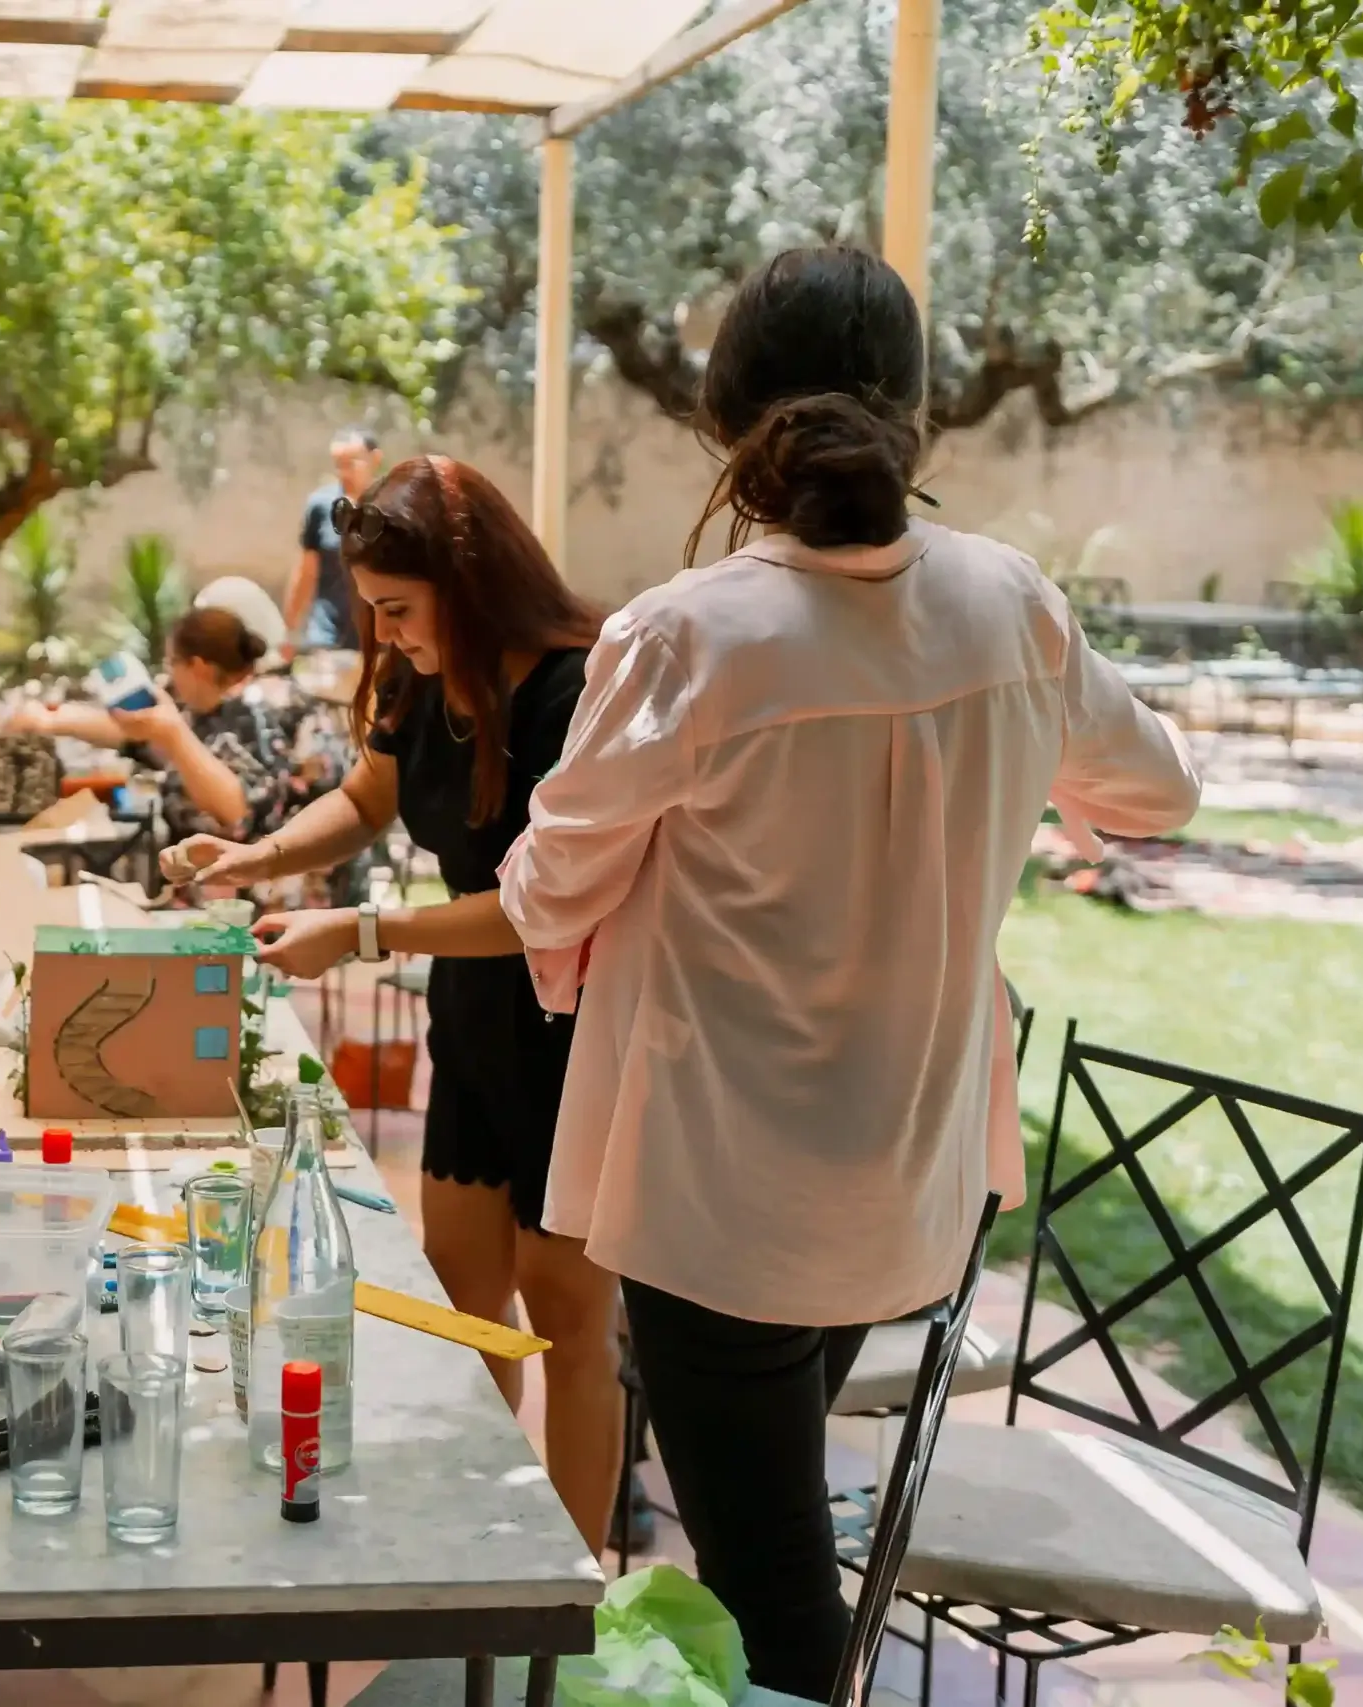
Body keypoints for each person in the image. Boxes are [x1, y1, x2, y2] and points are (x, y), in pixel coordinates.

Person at [497, 246, 1201, 1698]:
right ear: (917, 415)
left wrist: (577, 931)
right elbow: (1159, 793)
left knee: (770, 1604)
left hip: (720, 1199)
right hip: (908, 1191)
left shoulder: (685, 634)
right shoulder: (1013, 604)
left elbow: (555, 873)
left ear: (721, 416)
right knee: (770, 1548)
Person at [166, 456, 623, 1553]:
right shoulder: (417, 681)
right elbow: (368, 799)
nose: (387, 633)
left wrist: (362, 935)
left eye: (399, 609)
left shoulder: (575, 691)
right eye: (373, 611)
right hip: (473, 1015)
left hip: (578, 1025)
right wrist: (251, 859)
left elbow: (540, 913)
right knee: (468, 1315)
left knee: (565, 1322)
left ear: (470, 586)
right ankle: (487, 1550)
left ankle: (572, 1595)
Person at [9, 606, 285, 843]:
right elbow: (134, 734)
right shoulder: (201, 711)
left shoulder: (259, 711)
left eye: (172, 662)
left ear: (198, 666)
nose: (168, 673)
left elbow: (237, 813)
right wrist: (51, 721)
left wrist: (173, 734)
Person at [286, 426, 383, 652]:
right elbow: (307, 571)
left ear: (375, 459)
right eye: (339, 465)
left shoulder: (392, 504)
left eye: (352, 463)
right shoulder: (320, 506)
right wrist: (289, 629)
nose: (344, 473)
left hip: (379, 638)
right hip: (326, 635)